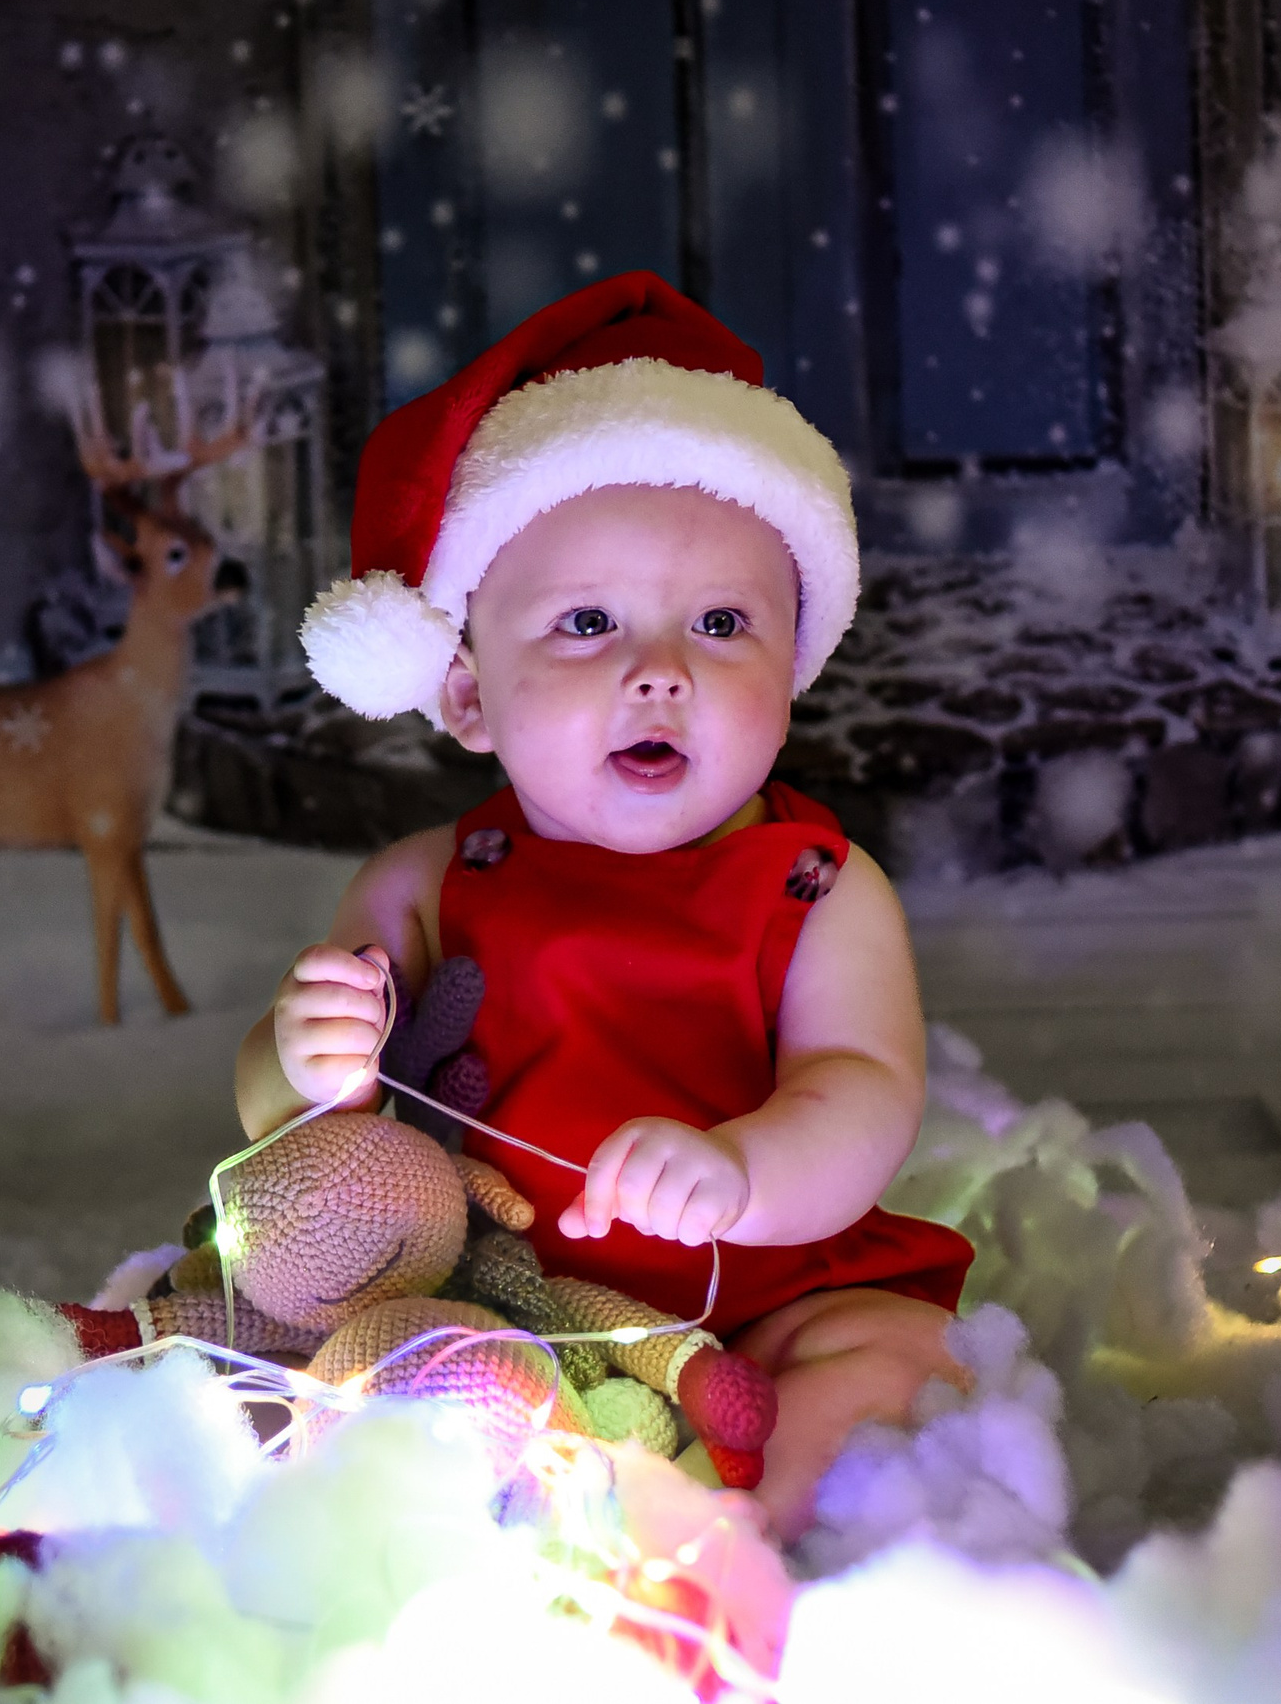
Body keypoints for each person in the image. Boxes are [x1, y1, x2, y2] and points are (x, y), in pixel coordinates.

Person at [235, 272, 972, 1538]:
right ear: (468, 695)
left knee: (885, 1362)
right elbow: (293, 1136)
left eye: (722, 623)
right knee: (360, 1381)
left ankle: (746, 1542)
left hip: (760, 1292)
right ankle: (522, 1519)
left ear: (791, 670)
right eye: (587, 623)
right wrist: (300, 1060)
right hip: (494, 1294)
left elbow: (862, 1091)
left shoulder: (819, 887)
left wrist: (742, 1169)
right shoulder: (427, 881)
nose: (660, 671)